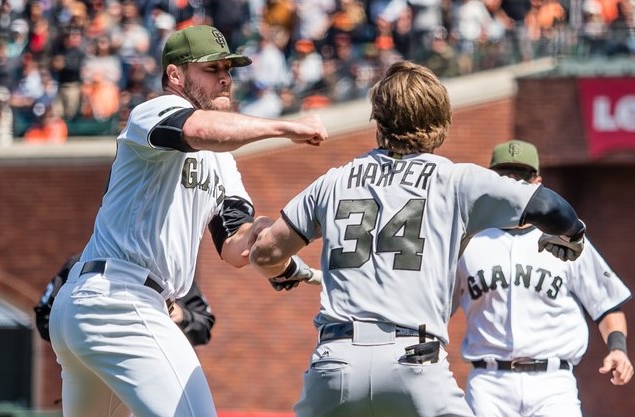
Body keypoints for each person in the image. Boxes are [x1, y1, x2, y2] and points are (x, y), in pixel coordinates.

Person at [248, 61, 587, 417]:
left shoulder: (333, 181)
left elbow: (265, 253)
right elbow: (550, 207)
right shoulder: (456, 181)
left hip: (336, 363)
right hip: (414, 361)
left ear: (378, 120)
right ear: (441, 120)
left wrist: (284, 269)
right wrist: (573, 233)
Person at [48, 24, 328, 417]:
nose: (226, 77)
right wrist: (285, 126)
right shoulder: (154, 111)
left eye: (229, 68)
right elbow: (199, 130)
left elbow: (236, 246)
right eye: (212, 69)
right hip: (119, 299)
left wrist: (278, 240)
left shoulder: (223, 163)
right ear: (175, 75)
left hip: (101, 304)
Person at [453, 139, 633, 417]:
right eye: (504, 176)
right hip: (489, 383)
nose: (513, 183)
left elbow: (608, 305)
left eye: (521, 176)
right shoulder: (468, 243)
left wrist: (618, 349)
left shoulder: (567, 239)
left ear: (537, 182)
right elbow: (436, 308)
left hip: (552, 384)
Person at [35, 253, 216, 346]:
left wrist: (182, 316)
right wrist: (82, 326)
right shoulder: (83, 263)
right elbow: (44, 316)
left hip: (157, 374)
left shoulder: (171, 267)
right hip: (93, 371)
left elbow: (204, 324)